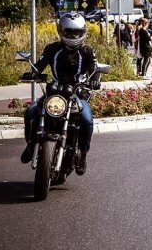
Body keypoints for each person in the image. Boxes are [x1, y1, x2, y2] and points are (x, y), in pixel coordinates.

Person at [20, 13, 96, 175]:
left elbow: (94, 69)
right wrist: (33, 72)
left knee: (87, 120)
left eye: (77, 32)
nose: (73, 36)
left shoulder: (87, 51)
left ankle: (83, 154)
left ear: (83, 32)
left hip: (76, 93)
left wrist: (95, 79)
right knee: (30, 112)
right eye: (69, 32)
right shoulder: (52, 49)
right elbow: (40, 64)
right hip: (54, 91)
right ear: (61, 31)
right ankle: (30, 144)